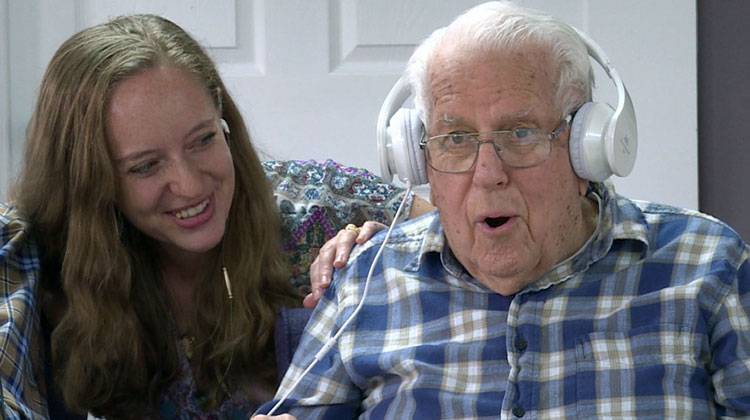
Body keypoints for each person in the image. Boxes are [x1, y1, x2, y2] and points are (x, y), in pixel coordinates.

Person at [256, 1, 750, 418]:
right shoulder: (367, 281)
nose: (488, 172)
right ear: (416, 155)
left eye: (521, 133)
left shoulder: (709, 265)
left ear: (589, 148)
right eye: (455, 138)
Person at [0, 14, 428, 419]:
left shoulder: (317, 209)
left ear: (223, 118)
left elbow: (471, 233)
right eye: (146, 166)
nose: (189, 184)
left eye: (203, 139)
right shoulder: (33, 261)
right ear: (89, 180)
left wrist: (398, 248)